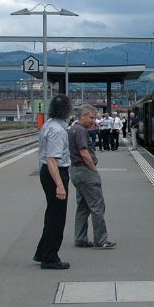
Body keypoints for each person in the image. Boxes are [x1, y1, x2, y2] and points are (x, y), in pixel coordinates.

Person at [68, 104, 116, 250]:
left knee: (83, 207)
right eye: (91, 117)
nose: (94, 121)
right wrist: (94, 170)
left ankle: (80, 238)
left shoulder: (72, 129)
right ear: (82, 116)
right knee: (97, 206)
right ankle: (101, 240)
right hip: (85, 172)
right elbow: (84, 152)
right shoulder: (81, 131)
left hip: (76, 171)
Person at [34, 94, 72, 270]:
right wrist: (59, 185)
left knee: (51, 215)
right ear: (67, 110)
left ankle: (42, 252)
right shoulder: (57, 130)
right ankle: (50, 257)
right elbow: (51, 159)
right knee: (57, 218)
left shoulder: (48, 125)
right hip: (55, 172)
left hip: (47, 172)